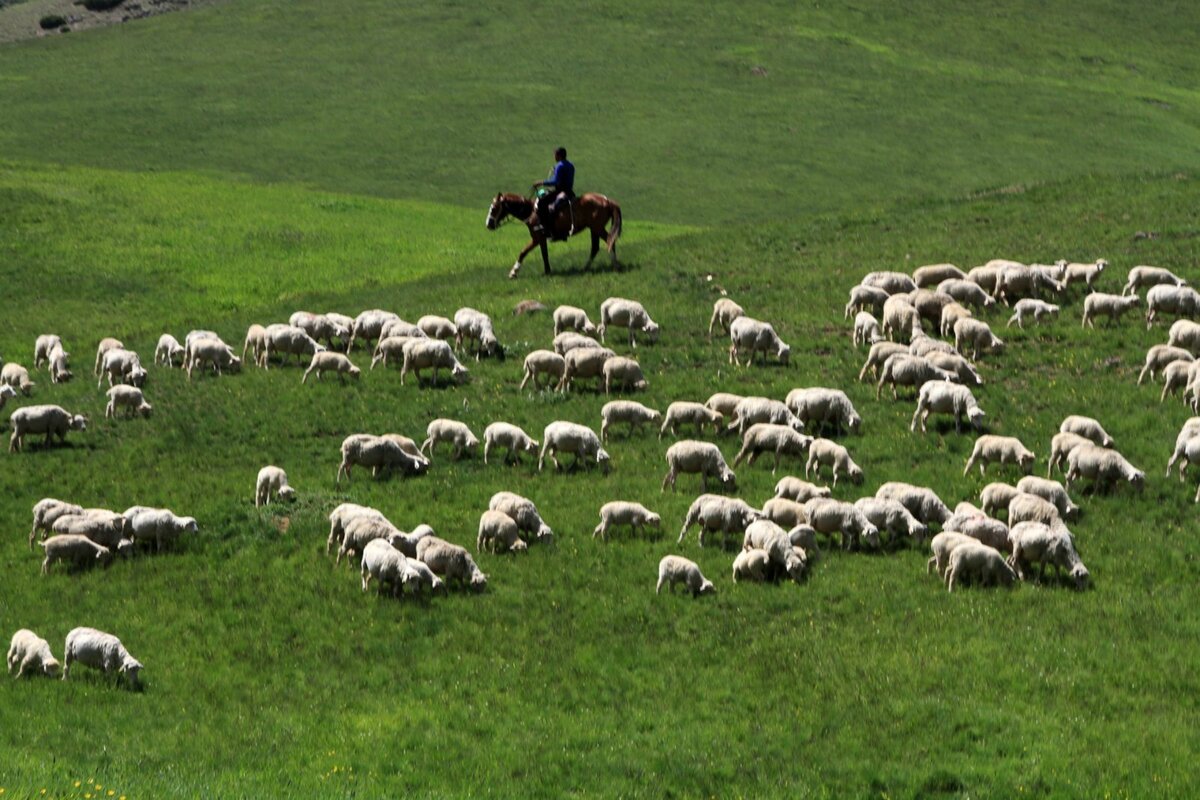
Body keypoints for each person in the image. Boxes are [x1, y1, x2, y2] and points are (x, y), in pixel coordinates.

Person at [531, 147, 575, 239]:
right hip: (569, 191)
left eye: (555, 155)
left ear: (558, 156)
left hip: (560, 191)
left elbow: (556, 181)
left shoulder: (560, 166)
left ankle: (548, 229)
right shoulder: (570, 165)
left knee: (542, 203)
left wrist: (541, 182)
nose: (554, 157)